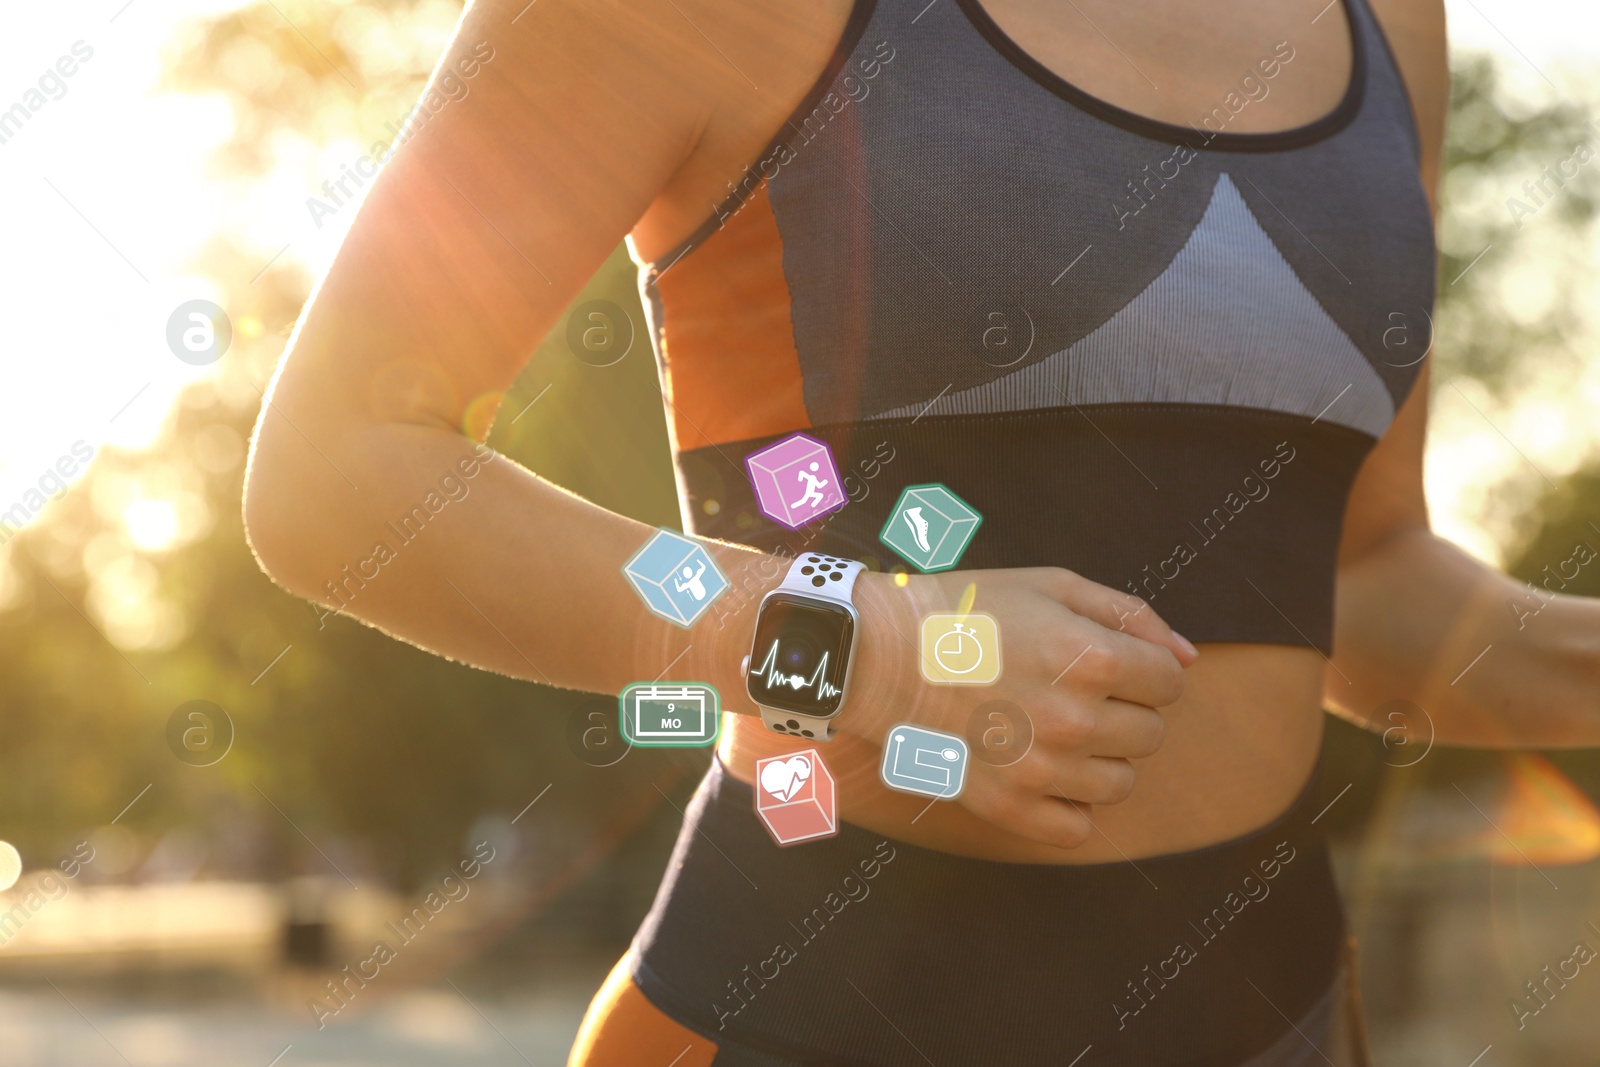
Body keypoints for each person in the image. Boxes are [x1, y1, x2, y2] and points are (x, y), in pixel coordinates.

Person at [241, 0, 1600, 1063]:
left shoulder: (1389, 21)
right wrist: (872, 644)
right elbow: (341, 472)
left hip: (1283, 1016)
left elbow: (1354, 581)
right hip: (810, 1012)